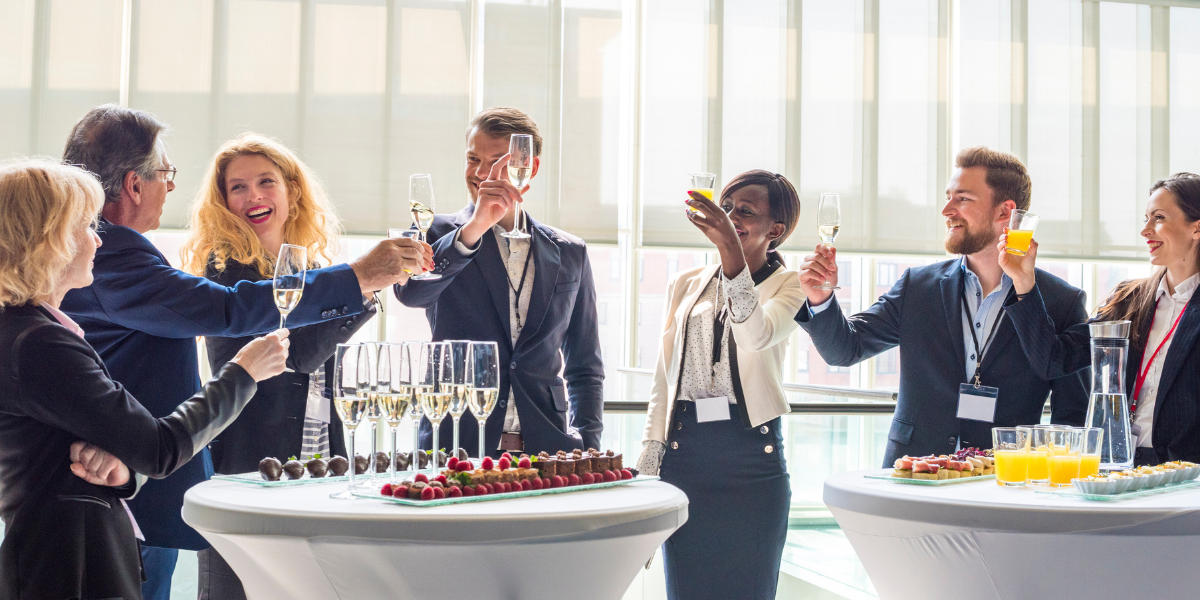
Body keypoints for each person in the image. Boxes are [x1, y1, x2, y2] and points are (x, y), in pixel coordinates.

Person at [58, 104, 431, 600]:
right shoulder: (114, 252)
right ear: (133, 185)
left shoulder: (112, 250)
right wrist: (359, 278)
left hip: (135, 475)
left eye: (267, 182)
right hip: (123, 482)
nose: (170, 187)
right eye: (165, 174)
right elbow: (233, 310)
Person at [0, 158, 291, 600]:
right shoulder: (38, 345)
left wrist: (121, 473)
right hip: (68, 571)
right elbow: (158, 448)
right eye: (84, 226)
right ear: (49, 240)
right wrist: (243, 373)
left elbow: (80, 457)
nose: (98, 238)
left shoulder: (33, 333)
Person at [177, 133, 382, 597]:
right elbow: (301, 357)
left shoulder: (309, 270)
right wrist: (363, 288)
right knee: (238, 588)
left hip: (316, 455)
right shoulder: (224, 274)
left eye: (266, 182)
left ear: (291, 189)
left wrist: (358, 292)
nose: (254, 196)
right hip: (250, 460)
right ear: (224, 202)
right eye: (238, 187)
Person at [795, 147, 1090, 466]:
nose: (946, 210)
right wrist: (820, 299)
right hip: (913, 472)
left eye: (962, 198)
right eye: (948, 197)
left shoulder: (1062, 301)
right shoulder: (918, 287)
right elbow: (844, 349)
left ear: (1005, 212)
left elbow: (1072, 418)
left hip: (1003, 484)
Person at [395, 107, 604, 456]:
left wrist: (588, 446)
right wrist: (474, 228)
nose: (480, 173)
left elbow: (585, 365)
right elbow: (411, 293)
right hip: (456, 448)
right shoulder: (433, 233)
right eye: (473, 159)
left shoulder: (570, 252)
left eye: (496, 162)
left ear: (529, 168)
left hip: (549, 452)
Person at [635, 170, 803, 600]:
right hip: (685, 457)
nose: (729, 217)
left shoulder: (791, 284)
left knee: (749, 590)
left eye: (744, 211)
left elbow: (755, 334)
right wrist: (649, 462)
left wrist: (730, 246)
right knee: (686, 590)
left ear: (776, 230)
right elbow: (663, 377)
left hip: (751, 459)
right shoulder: (685, 283)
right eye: (725, 207)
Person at [1001, 173, 1200, 466]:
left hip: (1187, 475)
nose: (1145, 230)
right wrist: (1023, 280)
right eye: (1145, 218)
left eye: (1158, 218)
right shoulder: (1130, 300)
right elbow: (1054, 360)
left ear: (1195, 229)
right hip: (1120, 465)